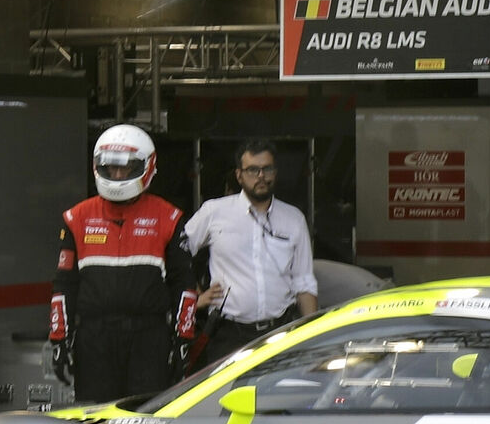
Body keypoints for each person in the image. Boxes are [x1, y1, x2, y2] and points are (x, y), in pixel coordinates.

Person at [48, 124, 200, 401]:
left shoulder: (170, 217)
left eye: (126, 168)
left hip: (149, 339)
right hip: (94, 338)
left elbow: (185, 284)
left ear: (147, 166)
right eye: (111, 167)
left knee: (145, 419)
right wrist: (59, 340)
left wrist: (183, 340)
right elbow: (63, 285)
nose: (117, 175)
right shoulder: (76, 218)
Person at [183, 140, 318, 360]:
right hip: (228, 334)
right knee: (228, 395)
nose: (261, 176)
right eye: (253, 170)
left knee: (279, 394)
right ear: (239, 175)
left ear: (276, 172)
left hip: (281, 331)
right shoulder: (215, 212)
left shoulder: (294, 219)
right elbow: (178, 254)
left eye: (267, 169)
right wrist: (195, 297)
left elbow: (304, 282)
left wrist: (313, 336)